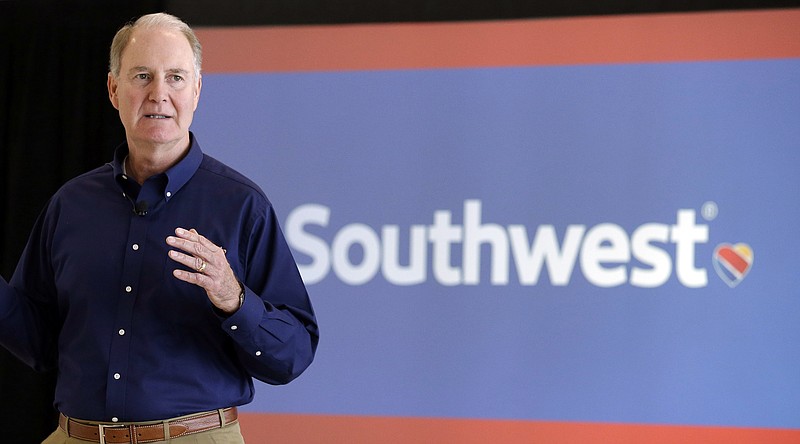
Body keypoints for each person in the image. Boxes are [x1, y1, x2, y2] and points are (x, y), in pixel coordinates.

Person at [0, 12, 318, 443]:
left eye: (175, 78)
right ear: (114, 90)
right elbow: (38, 343)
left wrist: (233, 298)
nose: (158, 95)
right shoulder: (70, 205)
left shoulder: (242, 205)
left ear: (198, 90)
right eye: (142, 76)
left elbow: (292, 357)